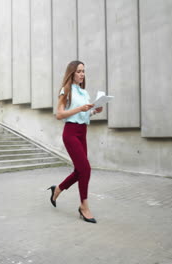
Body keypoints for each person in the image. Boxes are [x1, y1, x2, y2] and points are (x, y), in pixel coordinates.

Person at [48, 60, 102, 224]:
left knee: (80, 171)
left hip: (82, 132)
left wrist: (94, 111)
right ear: (72, 73)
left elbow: (84, 115)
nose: (82, 74)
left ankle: (57, 189)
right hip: (70, 133)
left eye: (83, 71)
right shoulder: (66, 90)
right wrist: (80, 108)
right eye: (79, 71)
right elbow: (59, 114)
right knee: (85, 168)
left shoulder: (84, 93)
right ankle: (84, 206)